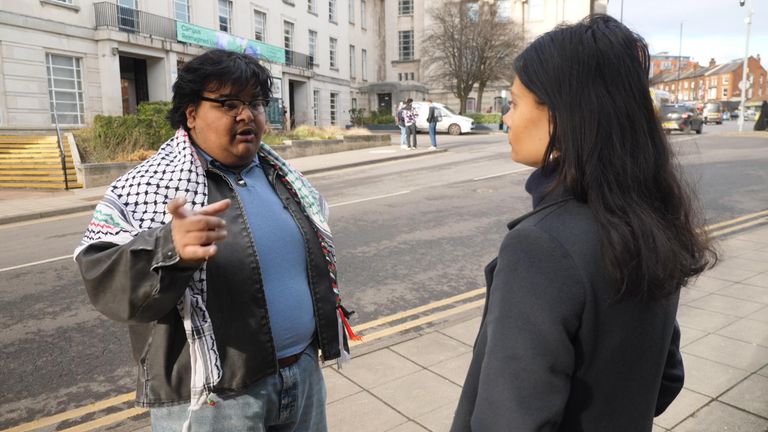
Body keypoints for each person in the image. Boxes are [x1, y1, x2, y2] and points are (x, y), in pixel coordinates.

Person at [450, 15, 716, 432]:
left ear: (560, 116)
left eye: (515, 103)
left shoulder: (540, 248)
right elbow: (666, 379)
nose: (506, 119)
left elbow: (510, 420)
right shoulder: (648, 219)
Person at [75, 49, 356, 432]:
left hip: (302, 377)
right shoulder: (143, 187)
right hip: (215, 400)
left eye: (255, 103)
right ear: (191, 114)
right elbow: (104, 281)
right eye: (228, 103)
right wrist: (169, 247)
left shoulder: (283, 177)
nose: (246, 114)